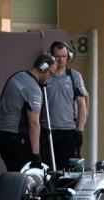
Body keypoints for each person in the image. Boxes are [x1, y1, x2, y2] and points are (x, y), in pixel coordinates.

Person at [0, 54, 57, 172]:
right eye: (51, 73)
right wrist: (36, 155)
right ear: (42, 68)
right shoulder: (34, 89)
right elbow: (34, 123)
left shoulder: (17, 76)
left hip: (0, 135)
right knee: (23, 178)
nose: (50, 77)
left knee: (13, 172)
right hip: (16, 136)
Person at [40, 40, 87, 171]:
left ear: (68, 57)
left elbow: (82, 105)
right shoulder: (44, 76)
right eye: (57, 56)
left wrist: (80, 131)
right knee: (47, 169)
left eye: (63, 56)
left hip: (68, 131)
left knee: (67, 170)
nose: (60, 60)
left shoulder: (74, 76)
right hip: (47, 130)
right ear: (51, 57)